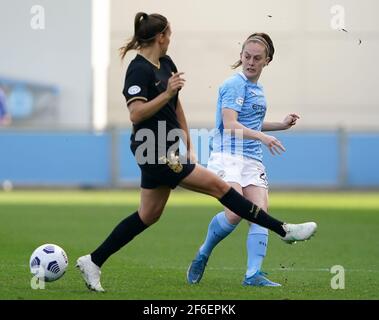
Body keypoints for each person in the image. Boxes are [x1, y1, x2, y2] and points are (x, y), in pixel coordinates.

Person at [76, 13, 317, 292]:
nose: (171, 41)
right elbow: (135, 113)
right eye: (170, 35)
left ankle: (93, 260)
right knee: (221, 187)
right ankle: (284, 230)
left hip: (168, 149)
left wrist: (189, 145)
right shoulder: (138, 69)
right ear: (160, 37)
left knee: (149, 214)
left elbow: (176, 107)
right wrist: (166, 94)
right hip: (151, 149)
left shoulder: (166, 64)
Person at [187, 33, 304, 287]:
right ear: (240, 56)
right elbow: (230, 125)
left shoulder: (257, 89)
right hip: (226, 156)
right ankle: (203, 253)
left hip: (252, 159)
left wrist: (281, 126)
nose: (250, 62)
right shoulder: (234, 84)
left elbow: (250, 123)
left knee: (260, 213)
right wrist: (262, 137)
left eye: (257, 58)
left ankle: (253, 275)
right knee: (234, 214)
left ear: (267, 61)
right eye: (247, 56)